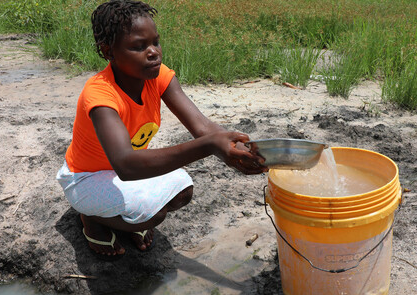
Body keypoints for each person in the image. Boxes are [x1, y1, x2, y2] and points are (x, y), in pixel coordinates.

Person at [56, 0, 266, 259]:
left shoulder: (158, 77)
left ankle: (119, 216)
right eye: (138, 46)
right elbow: (126, 165)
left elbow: (203, 127)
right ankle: (91, 219)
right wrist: (212, 146)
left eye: (155, 42)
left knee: (182, 191)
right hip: (85, 177)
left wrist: (244, 148)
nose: (153, 52)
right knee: (153, 214)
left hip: (119, 175)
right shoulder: (100, 95)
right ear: (108, 50)